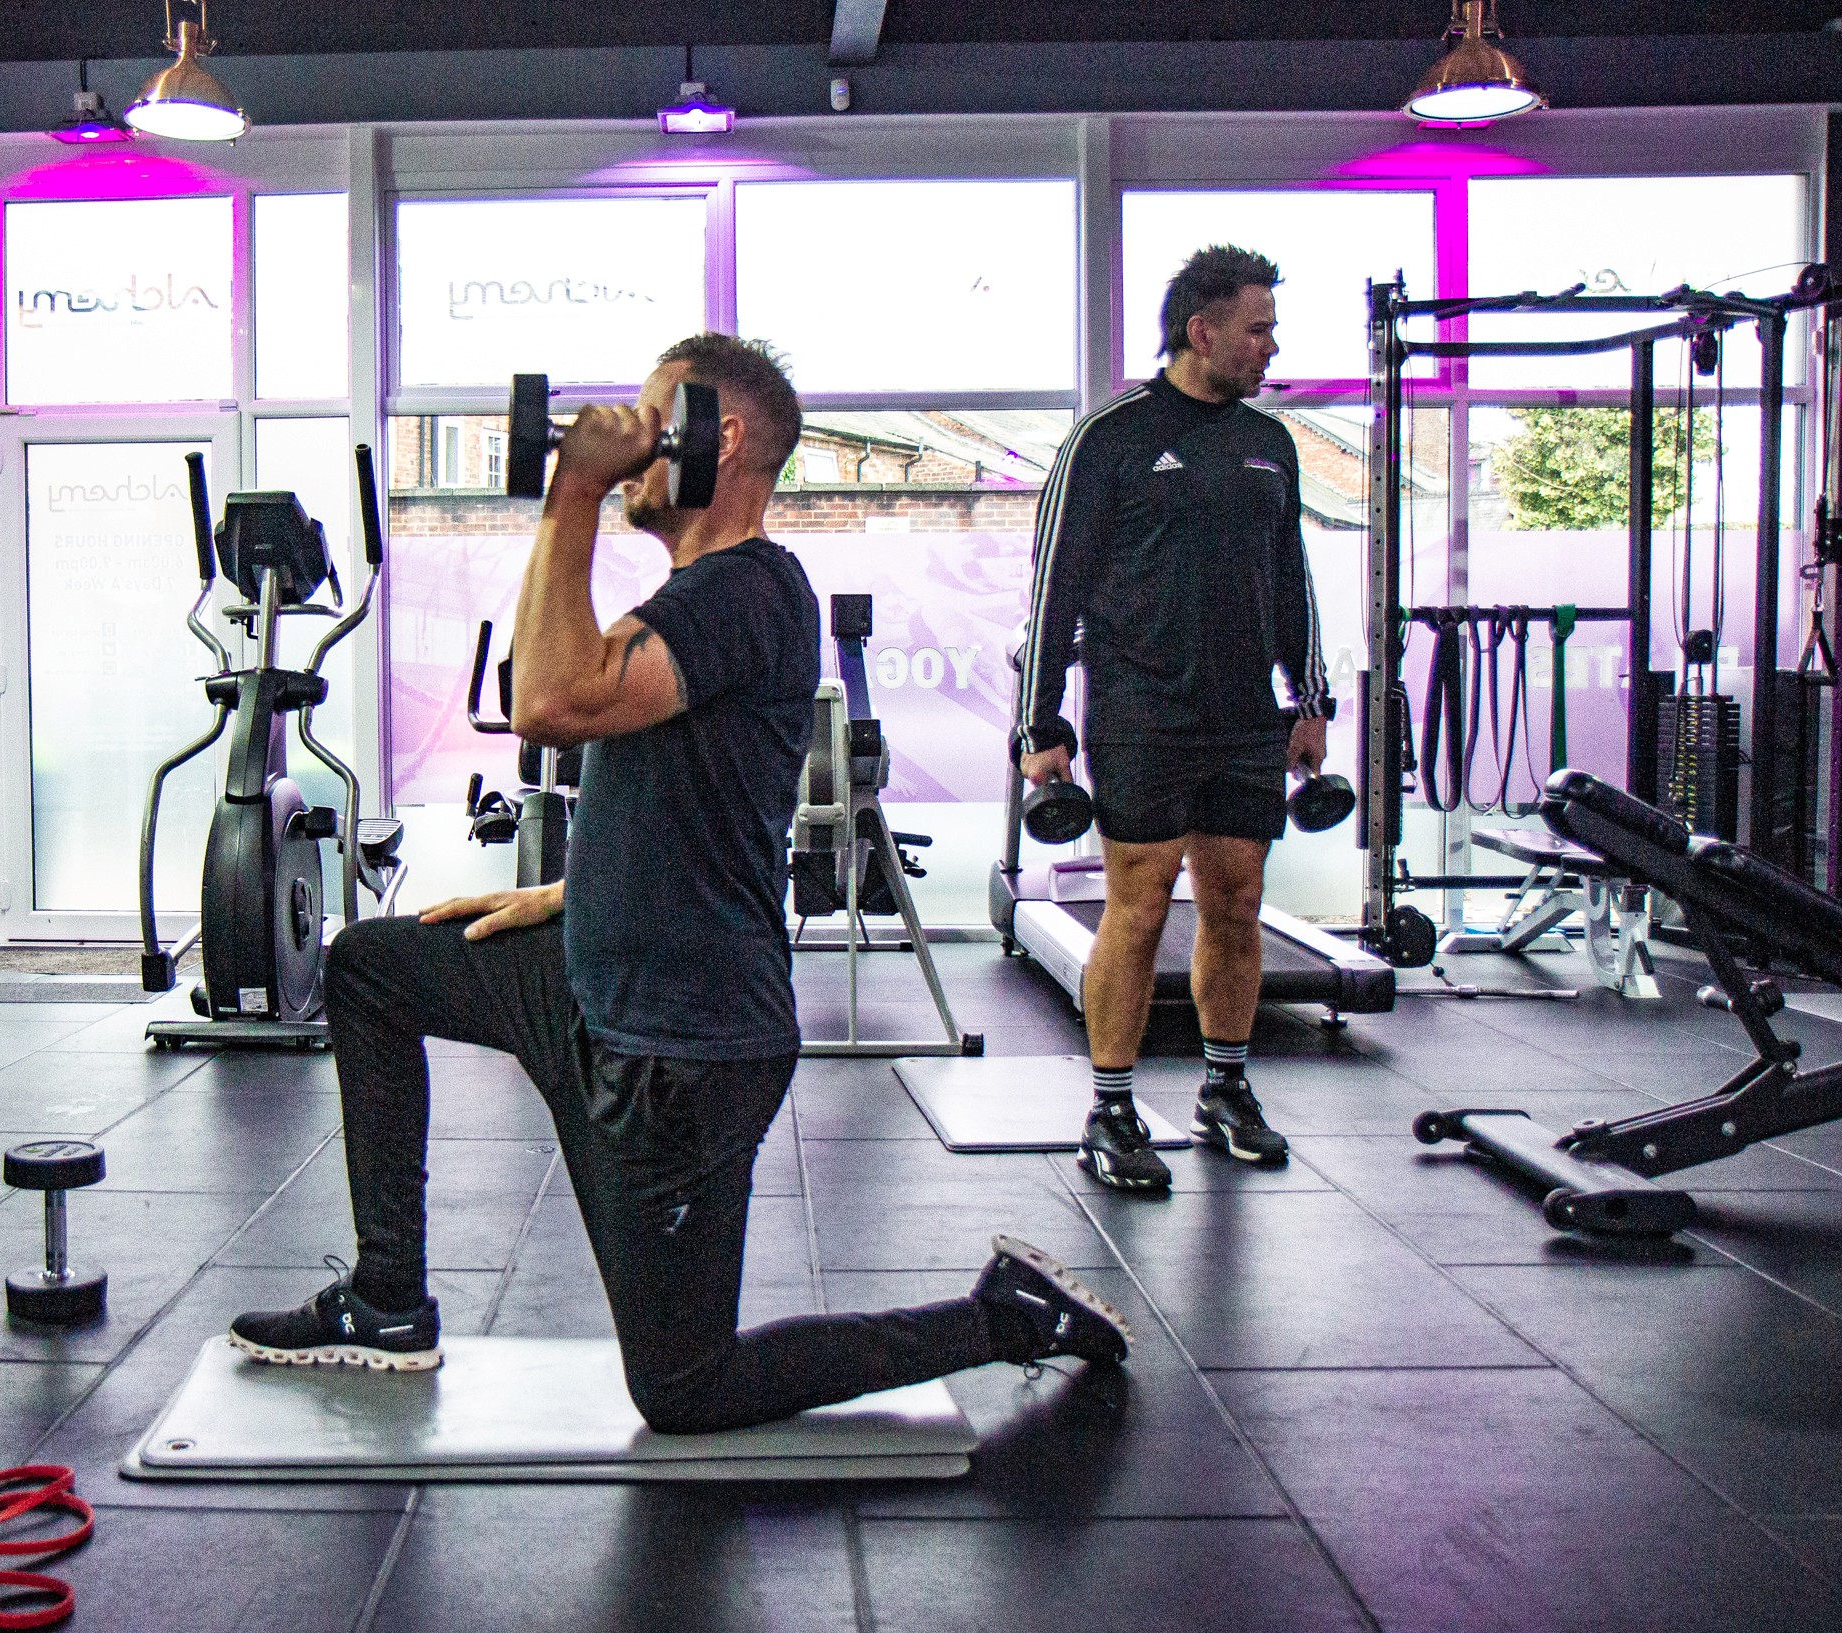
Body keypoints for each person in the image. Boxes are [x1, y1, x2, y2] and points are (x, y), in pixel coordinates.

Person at [229, 334, 1129, 1433]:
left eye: (655, 418)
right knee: (371, 968)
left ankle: (1002, 1316)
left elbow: (548, 702)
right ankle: (385, 1300)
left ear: (721, 437)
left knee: (683, 1389)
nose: (631, 442)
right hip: (584, 981)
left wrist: (571, 490)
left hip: (683, 1050)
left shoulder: (744, 592)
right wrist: (571, 895)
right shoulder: (702, 595)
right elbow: (686, 805)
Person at [1017, 244, 1332, 1194]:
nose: (1270, 346)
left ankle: (1223, 1089)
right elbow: (1054, 587)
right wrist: (1038, 724)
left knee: (1236, 899)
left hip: (1245, 717)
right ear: (1202, 331)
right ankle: (1111, 1108)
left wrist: (1309, 699)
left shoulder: (1269, 443)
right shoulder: (1108, 438)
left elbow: (1290, 580)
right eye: (1257, 329)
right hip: (1141, 710)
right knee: (1140, 902)